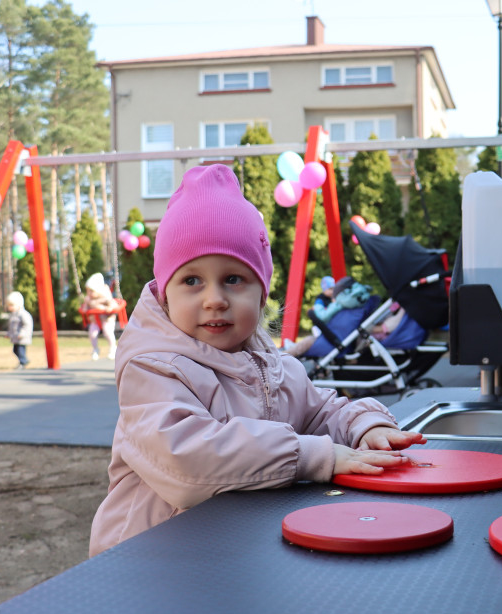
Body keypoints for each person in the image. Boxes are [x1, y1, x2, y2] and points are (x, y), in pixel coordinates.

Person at [89, 165, 425, 556]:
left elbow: (322, 413)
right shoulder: (153, 369)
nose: (215, 299)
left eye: (233, 279)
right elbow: (185, 459)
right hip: (147, 556)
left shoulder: (274, 369)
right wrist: (312, 456)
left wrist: (364, 427)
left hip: (226, 549)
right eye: (192, 280)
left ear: (262, 294)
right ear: (166, 296)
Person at [281, 274, 336, 356]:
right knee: (313, 339)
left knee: (311, 340)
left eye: (334, 289)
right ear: (324, 289)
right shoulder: (321, 299)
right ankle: (291, 348)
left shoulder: (333, 299)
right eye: (330, 289)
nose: (332, 291)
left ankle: (292, 347)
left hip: (327, 329)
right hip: (320, 327)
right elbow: (321, 313)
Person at [82, 272, 118, 361]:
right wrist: (85, 307)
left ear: (98, 290)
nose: (89, 293)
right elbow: (84, 308)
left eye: (91, 291)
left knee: (107, 332)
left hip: (107, 319)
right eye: (87, 291)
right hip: (95, 320)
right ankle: (95, 349)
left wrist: (109, 308)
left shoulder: (105, 297)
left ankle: (113, 348)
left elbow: (113, 304)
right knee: (92, 334)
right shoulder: (88, 299)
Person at [5, 290, 33, 369]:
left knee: (20, 351)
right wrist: (9, 334)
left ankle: (23, 362)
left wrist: (22, 333)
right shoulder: (13, 315)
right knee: (15, 350)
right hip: (16, 338)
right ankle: (24, 360)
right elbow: (12, 327)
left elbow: (27, 325)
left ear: (18, 304)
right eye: (9, 305)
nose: (9, 307)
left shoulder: (23, 314)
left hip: (22, 338)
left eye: (12, 305)